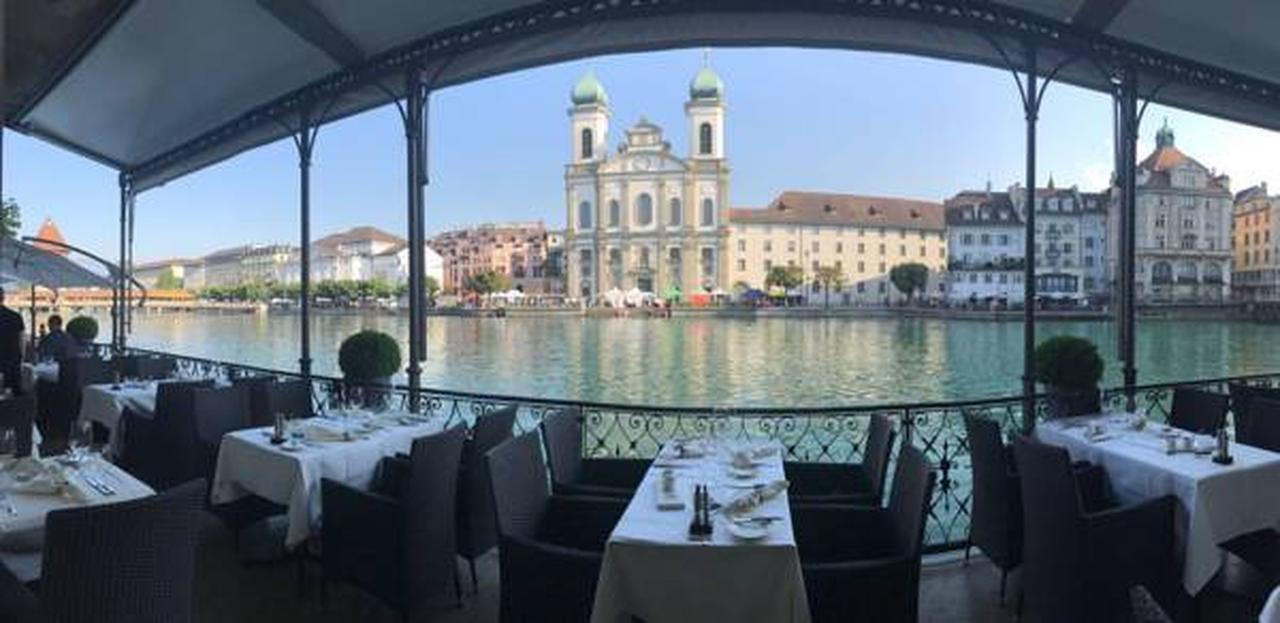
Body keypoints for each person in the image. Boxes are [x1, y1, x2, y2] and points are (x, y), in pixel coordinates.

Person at [0, 288, 24, 395]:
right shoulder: (16, 316)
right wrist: (21, 359)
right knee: (14, 397)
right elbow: (21, 341)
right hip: (12, 362)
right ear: (3, 298)